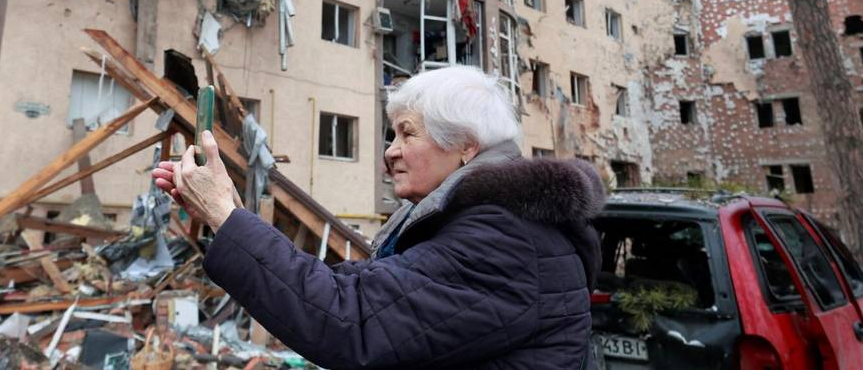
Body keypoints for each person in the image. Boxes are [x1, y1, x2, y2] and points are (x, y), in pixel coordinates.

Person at [152, 65, 604, 369]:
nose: (390, 152)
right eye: (392, 134)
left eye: (407, 133)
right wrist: (231, 215)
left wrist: (227, 217)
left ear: (466, 146)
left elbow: (350, 318)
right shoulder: (490, 224)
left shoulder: (501, 238)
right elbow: (358, 291)